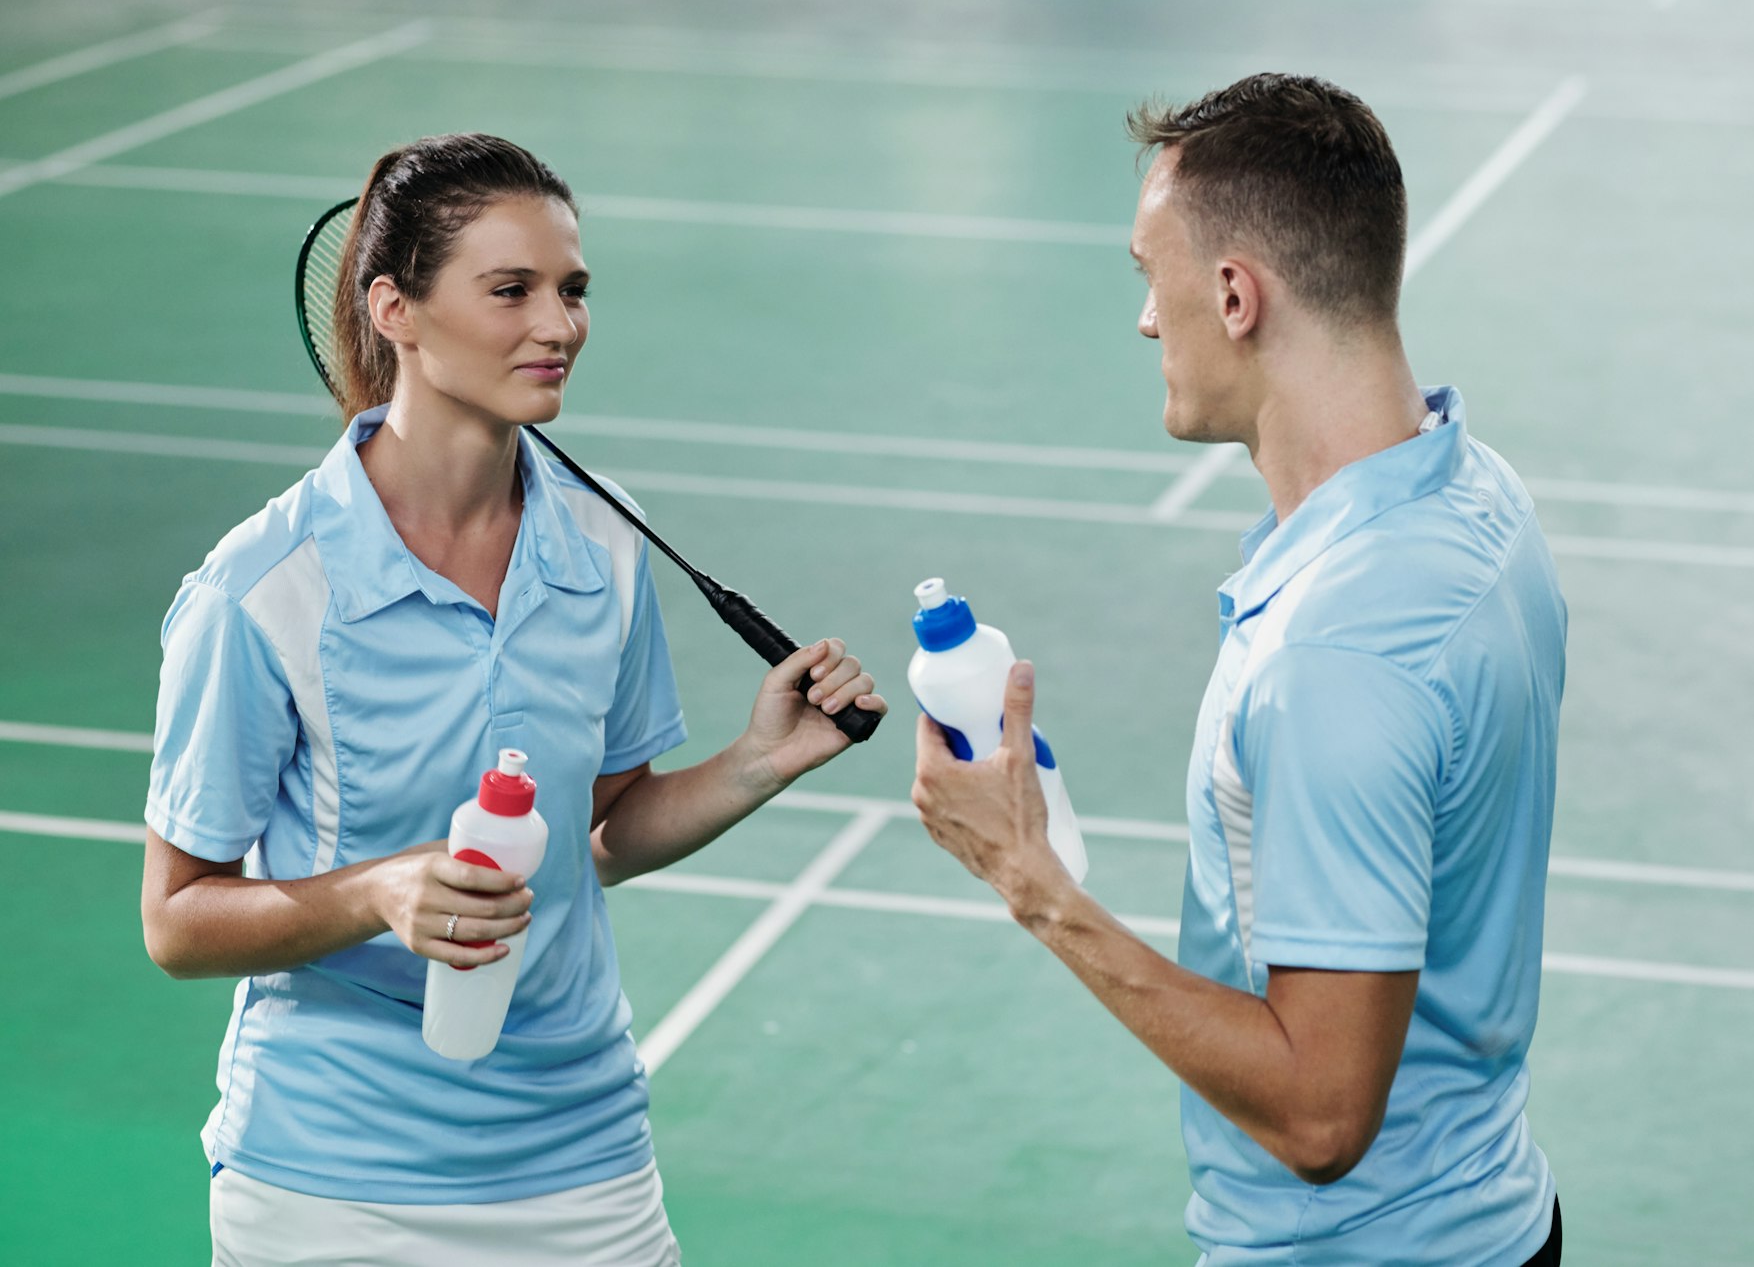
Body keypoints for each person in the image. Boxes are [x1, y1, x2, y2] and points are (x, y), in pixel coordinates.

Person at [139, 133, 886, 1266]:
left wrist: (755, 761)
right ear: (395, 309)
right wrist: (382, 888)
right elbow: (177, 920)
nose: (560, 324)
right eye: (512, 291)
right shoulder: (263, 592)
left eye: (572, 290)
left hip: (581, 1155)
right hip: (335, 1182)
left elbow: (597, 835)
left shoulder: (602, 544)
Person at [910, 75, 1566, 1266]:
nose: (1146, 321)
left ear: (1232, 293)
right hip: (1497, 1214)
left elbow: (1320, 1116)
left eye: (1147, 276)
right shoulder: (1477, 496)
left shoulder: (1337, 651)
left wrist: (1031, 879)